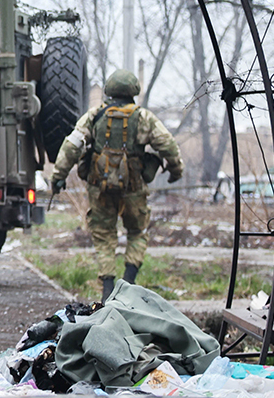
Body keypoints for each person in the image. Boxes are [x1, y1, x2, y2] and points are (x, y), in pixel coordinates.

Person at [50, 69, 183, 303]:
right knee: (137, 232)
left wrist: (58, 176)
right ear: (134, 91)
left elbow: (72, 145)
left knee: (103, 236)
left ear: (108, 91)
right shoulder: (144, 118)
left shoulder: (95, 116)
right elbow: (168, 145)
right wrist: (175, 170)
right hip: (133, 189)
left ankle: (108, 289)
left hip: (99, 189)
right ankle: (129, 284)